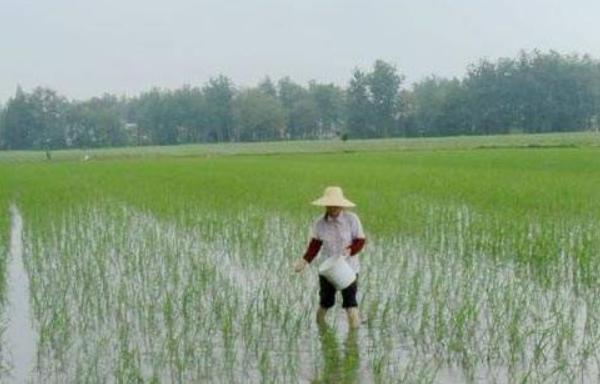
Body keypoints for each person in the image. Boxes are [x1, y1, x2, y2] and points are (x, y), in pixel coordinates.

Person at [294, 186, 366, 328]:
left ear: (341, 204)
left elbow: (360, 240)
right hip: (327, 268)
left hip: (349, 267)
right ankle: (320, 326)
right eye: (330, 204)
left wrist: (350, 250)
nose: (333, 207)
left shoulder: (352, 219)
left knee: (350, 302)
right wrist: (304, 261)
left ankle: (353, 337)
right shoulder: (320, 222)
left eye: (336, 204)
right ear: (325, 205)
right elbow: (315, 245)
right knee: (326, 301)